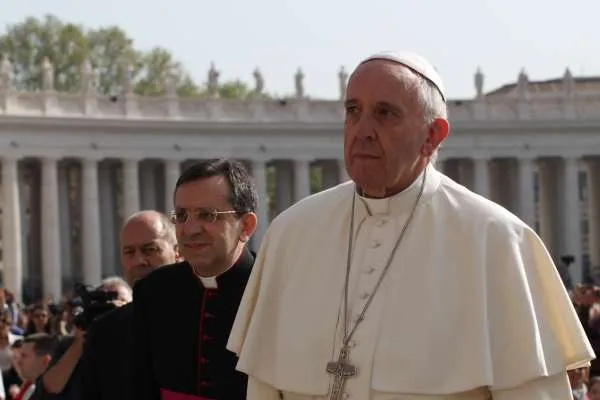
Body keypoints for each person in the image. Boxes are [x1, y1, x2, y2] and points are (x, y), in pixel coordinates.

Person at [227, 50, 596, 399]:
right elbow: (264, 386)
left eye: (385, 113)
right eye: (353, 111)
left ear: (433, 135)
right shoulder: (292, 234)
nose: (363, 129)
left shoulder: (497, 241)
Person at [133, 159, 258, 400]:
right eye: (181, 215)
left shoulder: (273, 288)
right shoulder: (153, 290)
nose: (190, 229)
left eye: (207, 215)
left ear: (246, 225)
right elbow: (140, 384)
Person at [80, 210, 181, 400]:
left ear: (177, 252)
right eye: (129, 252)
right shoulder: (104, 331)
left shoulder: (204, 315)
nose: (138, 261)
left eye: (149, 249)